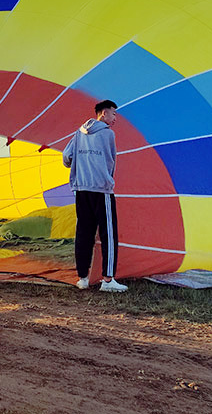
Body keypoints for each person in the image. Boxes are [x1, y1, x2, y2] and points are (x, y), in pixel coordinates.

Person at [62, 99, 128, 292]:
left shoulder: (78, 133)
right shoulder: (108, 134)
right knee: (108, 234)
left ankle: (82, 278)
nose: (115, 118)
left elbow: (66, 157)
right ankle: (108, 280)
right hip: (101, 189)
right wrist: (106, 177)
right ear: (103, 114)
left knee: (83, 233)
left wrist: (81, 165)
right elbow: (111, 161)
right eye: (113, 114)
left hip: (81, 189)